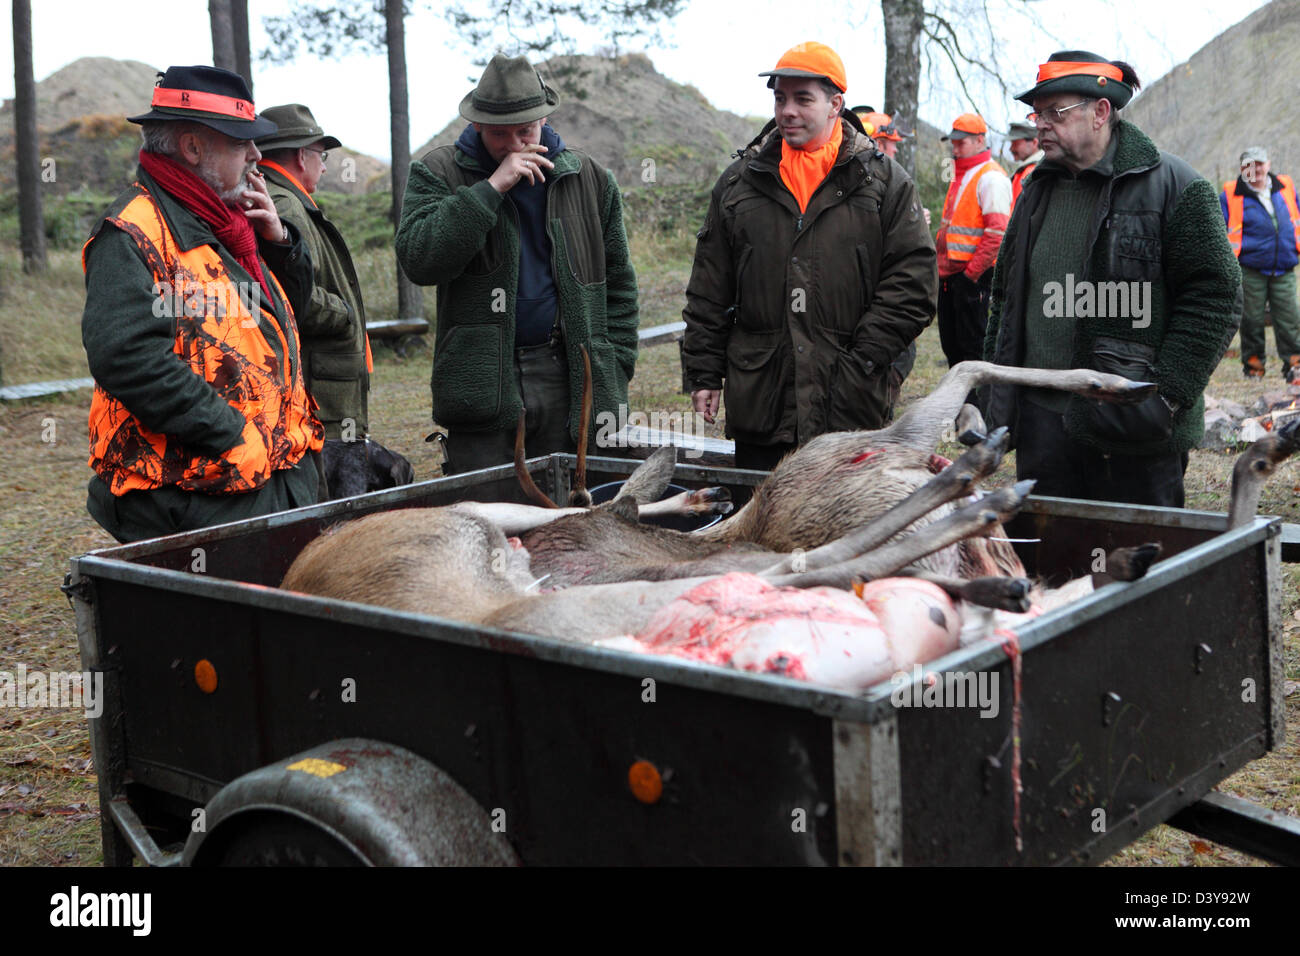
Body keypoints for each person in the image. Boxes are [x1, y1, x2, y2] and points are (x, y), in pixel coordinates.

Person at [983, 50, 1241, 508]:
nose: (1040, 124)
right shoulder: (1034, 190)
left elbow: (1216, 298)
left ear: (1101, 112)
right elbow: (1006, 298)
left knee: (1138, 566)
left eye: (1054, 112)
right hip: (1043, 423)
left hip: (1132, 426)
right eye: (1036, 113)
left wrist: (1164, 399)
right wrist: (994, 394)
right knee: (1053, 564)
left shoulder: (1176, 186)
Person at [81, 65, 322, 543]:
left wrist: (278, 245)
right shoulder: (131, 232)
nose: (256, 156)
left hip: (268, 476)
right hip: (195, 492)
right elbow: (128, 358)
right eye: (240, 143)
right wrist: (231, 434)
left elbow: (286, 320)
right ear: (192, 148)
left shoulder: (229, 221)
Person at [682, 42, 936, 470]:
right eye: (780, 98)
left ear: (836, 103)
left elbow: (913, 284)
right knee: (757, 530)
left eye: (803, 99)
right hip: (763, 405)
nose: (788, 111)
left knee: (846, 528)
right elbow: (709, 285)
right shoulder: (739, 185)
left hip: (850, 409)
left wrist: (864, 364)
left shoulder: (884, 182)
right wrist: (704, 371)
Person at [395, 54, 638, 474]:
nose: (513, 145)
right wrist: (490, 190)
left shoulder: (589, 177)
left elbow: (619, 284)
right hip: (480, 378)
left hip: (567, 372)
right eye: (498, 135)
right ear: (475, 126)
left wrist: (615, 364)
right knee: (488, 511)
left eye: (524, 131)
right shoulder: (438, 172)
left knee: (570, 511)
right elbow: (420, 261)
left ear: (544, 119)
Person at [255, 104, 376, 493]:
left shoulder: (287, 200)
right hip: (321, 394)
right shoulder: (286, 204)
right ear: (299, 154)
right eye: (320, 156)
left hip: (327, 387)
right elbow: (287, 293)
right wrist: (344, 315)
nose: (324, 167)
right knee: (334, 503)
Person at [935, 113, 1012, 377]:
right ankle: (961, 410)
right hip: (953, 277)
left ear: (980, 140)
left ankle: (977, 412)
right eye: (953, 143)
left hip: (973, 279)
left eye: (961, 143)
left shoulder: (991, 177)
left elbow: (997, 234)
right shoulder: (962, 174)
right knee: (954, 350)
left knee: (973, 353)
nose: (955, 149)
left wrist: (970, 277)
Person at [1220, 146, 1300, 379]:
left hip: (1284, 266)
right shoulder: (1230, 194)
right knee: (1251, 320)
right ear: (1242, 168)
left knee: (1289, 318)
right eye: (1248, 165)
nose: (1254, 170)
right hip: (1250, 268)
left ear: (1268, 165)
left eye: (1259, 164)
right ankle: (1254, 368)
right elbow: (1218, 228)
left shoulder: (1285, 187)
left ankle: (1295, 366)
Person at [1006, 120, 1043, 209]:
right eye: (1011, 143)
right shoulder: (1027, 169)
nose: (1011, 148)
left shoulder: (1034, 172)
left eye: (1016, 143)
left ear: (1034, 143)